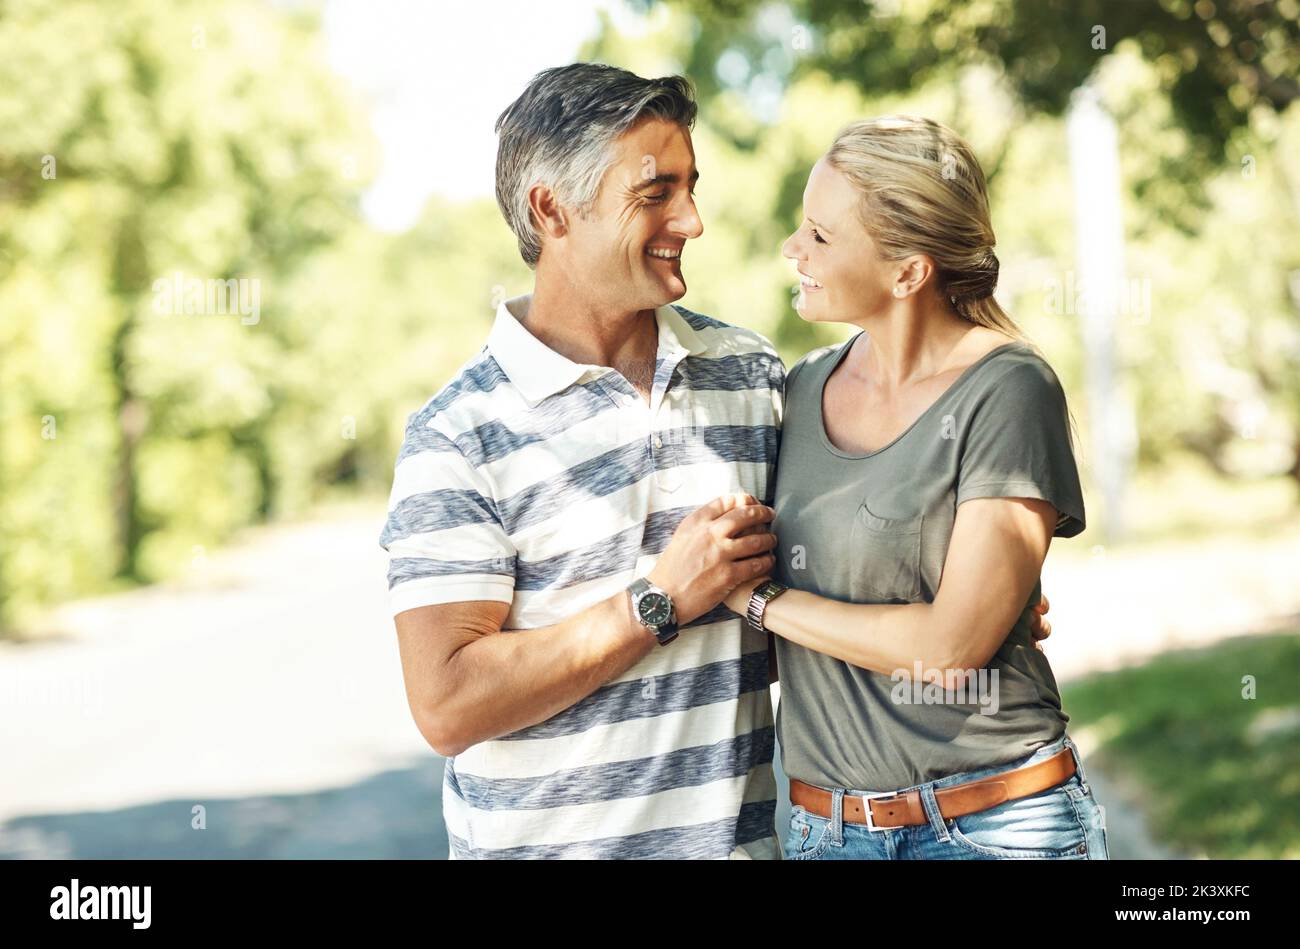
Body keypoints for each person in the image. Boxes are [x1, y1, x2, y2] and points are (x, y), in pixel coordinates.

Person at [378, 63, 786, 859]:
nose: (693, 220)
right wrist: (658, 600)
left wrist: (953, 594)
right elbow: (448, 704)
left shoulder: (751, 375)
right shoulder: (459, 434)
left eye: (691, 185)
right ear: (550, 208)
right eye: (655, 193)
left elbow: (801, 599)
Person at [724, 115, 1109, 860]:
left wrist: (764, 602)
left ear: (908, 273)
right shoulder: (798, 393)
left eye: (820, 236)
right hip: (826, 832)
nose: (791, 249)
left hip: (994, 826)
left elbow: (951, 646)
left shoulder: (1008, 390)